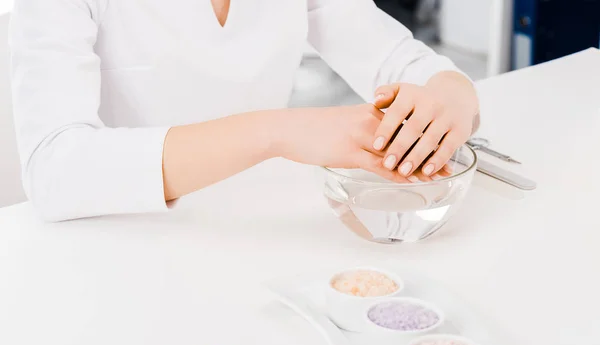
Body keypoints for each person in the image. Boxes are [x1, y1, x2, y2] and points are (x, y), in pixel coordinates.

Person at [9, 0, 480, 222]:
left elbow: (403, 61)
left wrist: (452, 95)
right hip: (121, 235)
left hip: (252, 225)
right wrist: (278, 132)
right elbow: (54, 169)